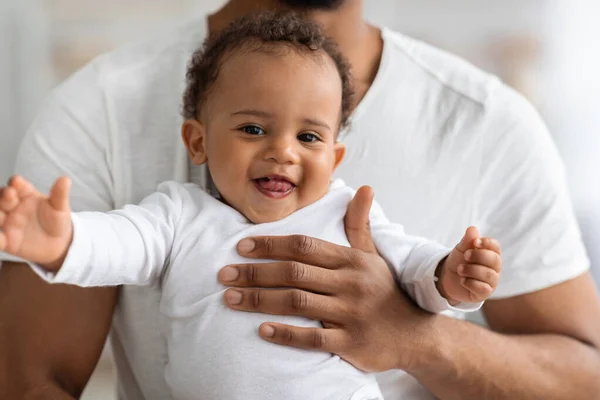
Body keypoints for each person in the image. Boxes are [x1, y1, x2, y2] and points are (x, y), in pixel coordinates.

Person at [0, 0, 598, 399]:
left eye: (309, 137)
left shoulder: (474, 133)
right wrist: (63, 241)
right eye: (253, 130)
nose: (282, 153)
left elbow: (417, 262)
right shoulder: (160, 188)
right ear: (198, 139)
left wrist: (422, 326)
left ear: (336, 156)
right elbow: (118, 243)